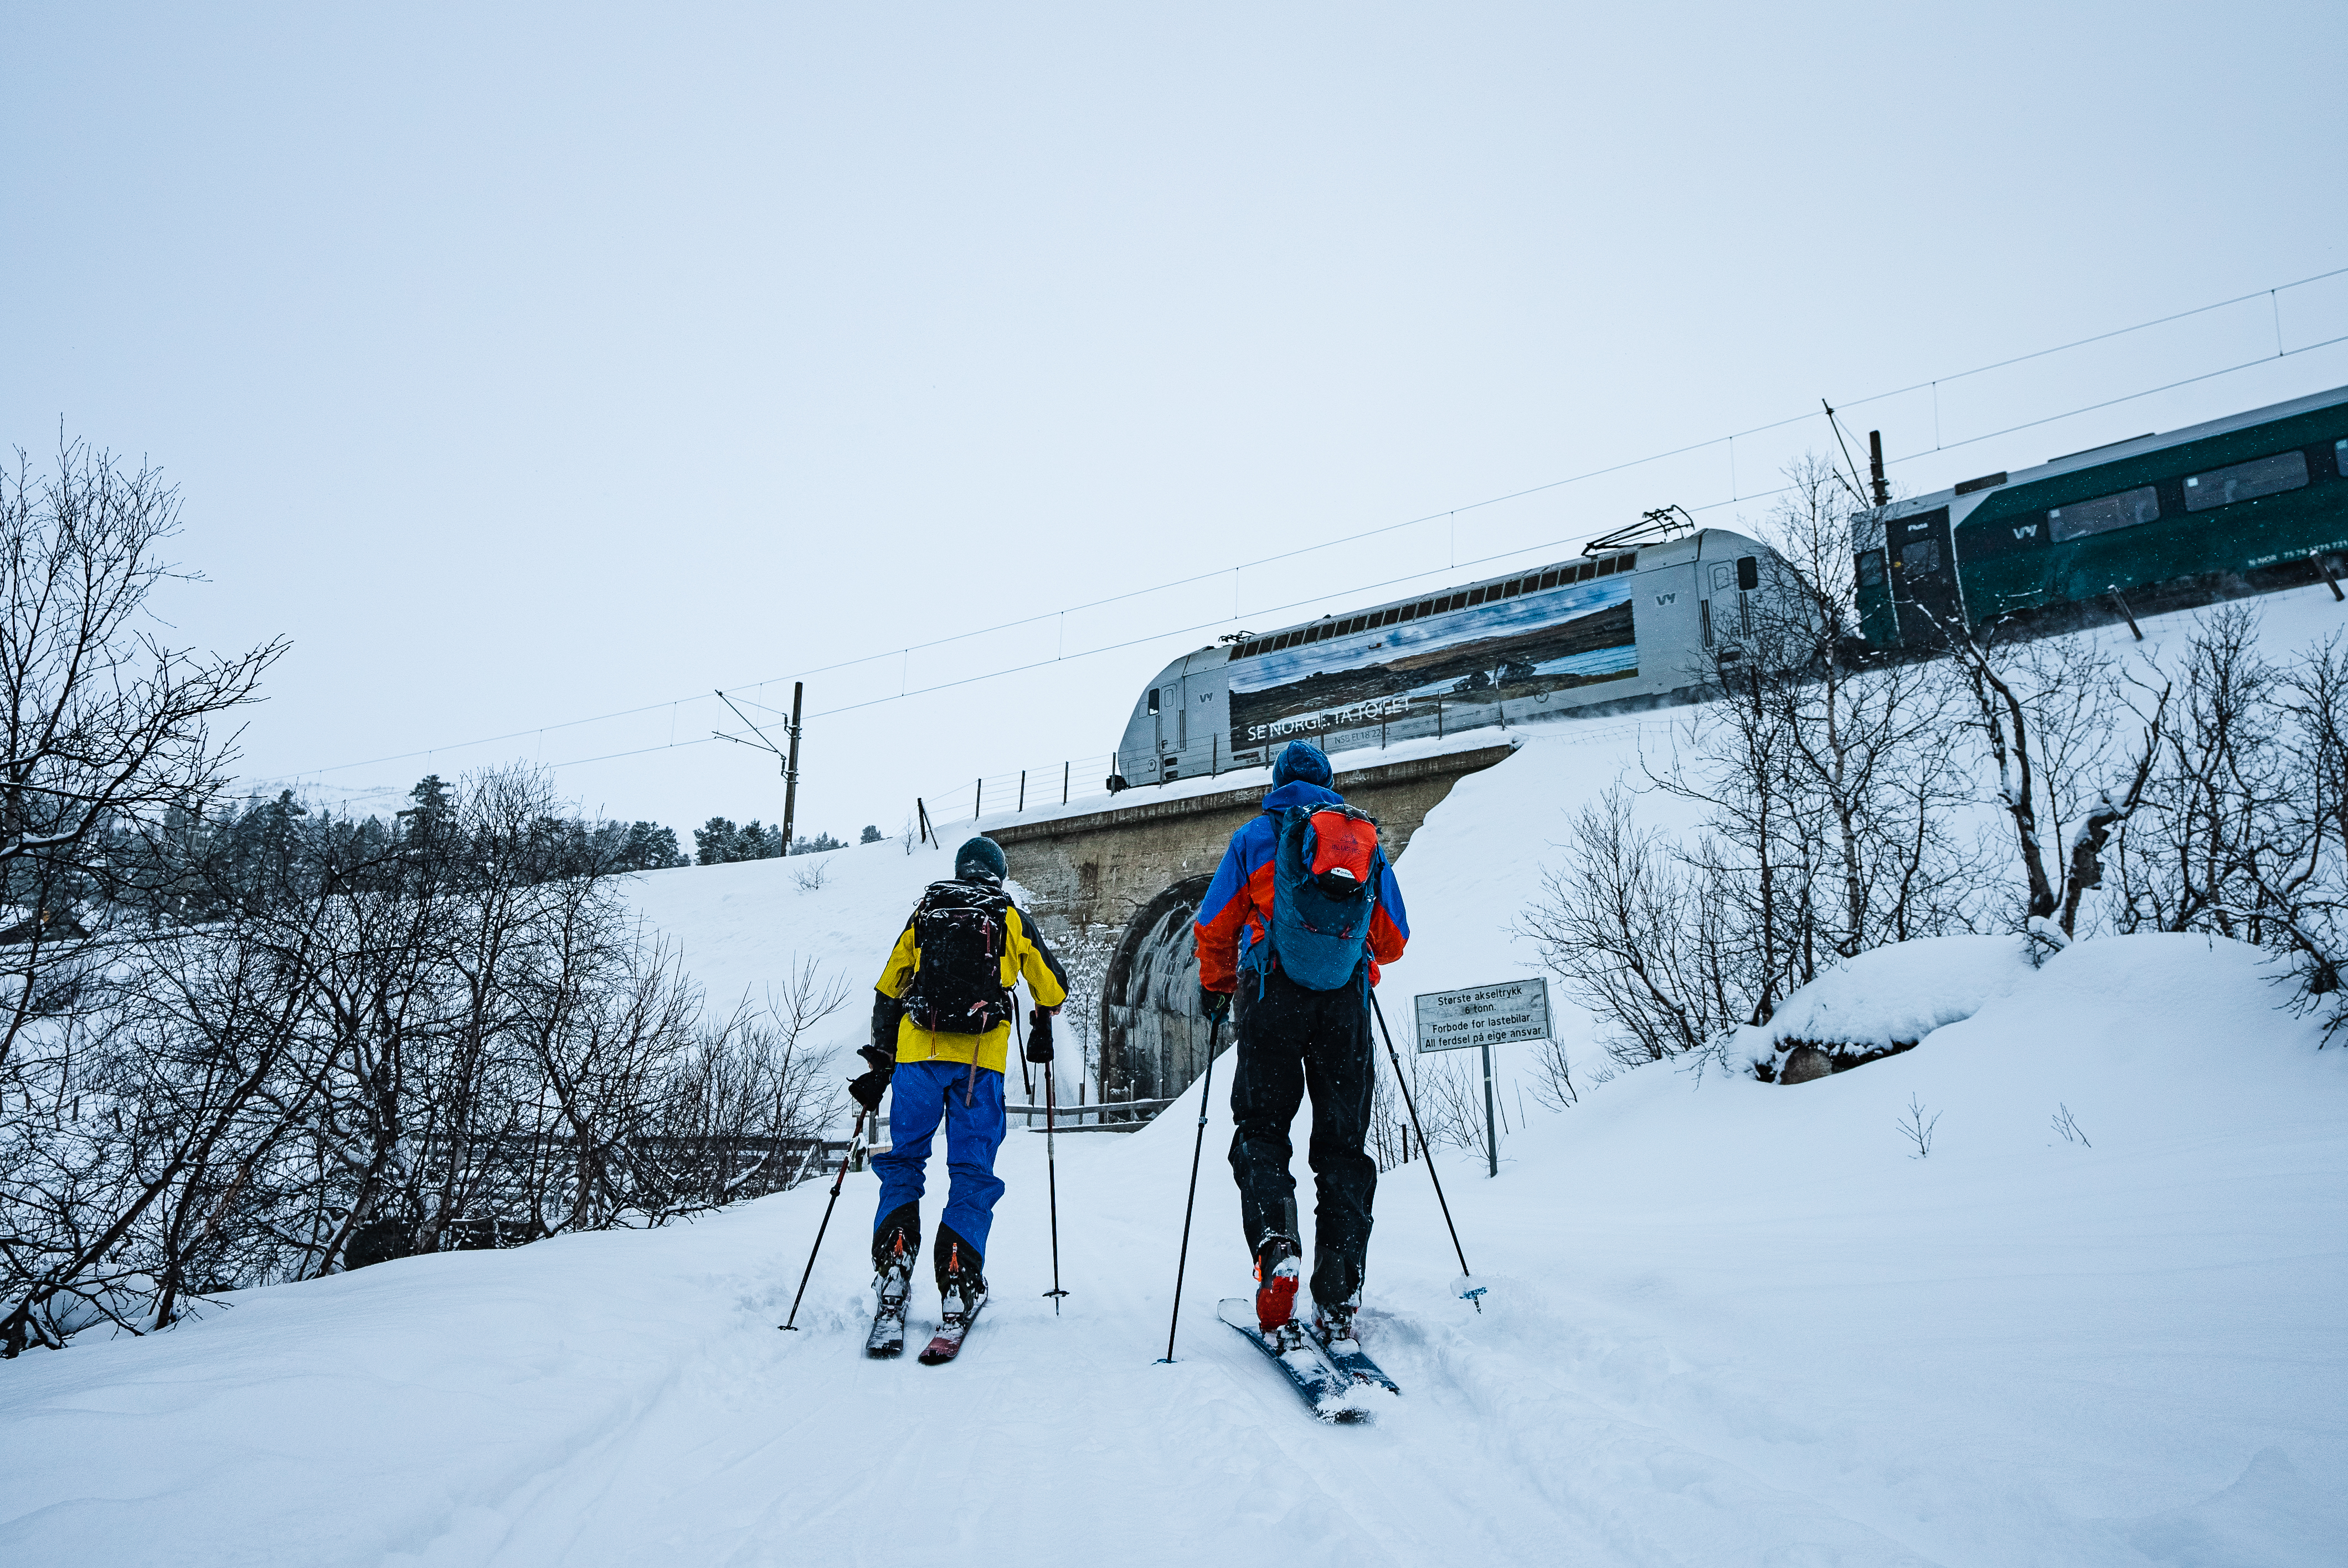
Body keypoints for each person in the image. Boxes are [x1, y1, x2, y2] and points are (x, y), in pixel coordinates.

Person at [1192, 739, 1408, 1344]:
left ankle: (1276, 1247)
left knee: (1261, 1131)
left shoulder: (1254, 838)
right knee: (1343, 1147)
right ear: (1329, 784)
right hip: (1345, 1005)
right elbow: (1393, 939)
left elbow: (1214, 926)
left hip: (1271, 996)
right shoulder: (1361, 842)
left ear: (1276, 783)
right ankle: (1339, 1293)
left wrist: (1217, 986)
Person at [847, 835, 1067, 1330]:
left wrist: (883, 1060)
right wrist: (1040, 1012)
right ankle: (958, 1277)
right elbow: (1054, 990)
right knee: (971, 1170)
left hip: (917, 1057)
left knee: (905, 1160)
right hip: (979, 1062)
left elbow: (889, 987)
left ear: (960, 868)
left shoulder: (927, 912)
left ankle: (894, 1265)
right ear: (999, 874)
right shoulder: (1009, 917)